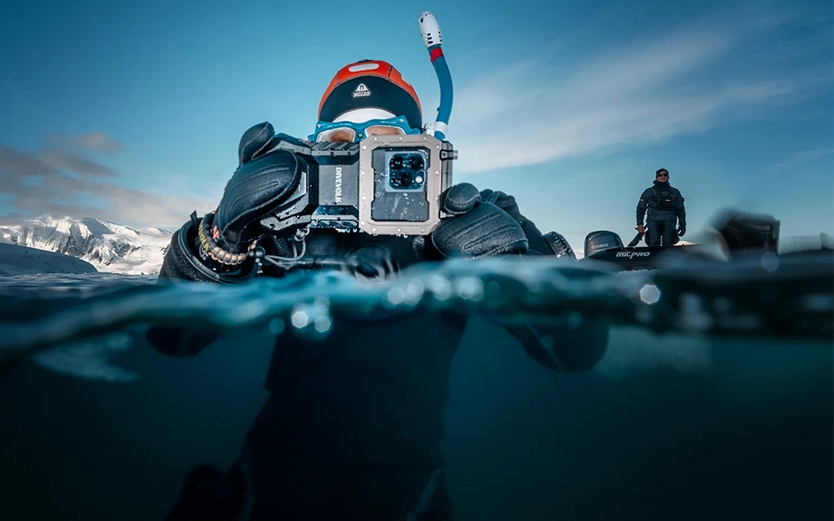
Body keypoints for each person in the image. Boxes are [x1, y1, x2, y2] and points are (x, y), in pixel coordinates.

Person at [148, 59, 610, 521]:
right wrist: (221, 236)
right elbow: (169, 337)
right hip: (271, 477)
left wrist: (511, 266)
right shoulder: (287, 223)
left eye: (386, 142)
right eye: (340, 143)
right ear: (314, 149)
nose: (362, 163)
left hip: (409, 489)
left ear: (422, 145)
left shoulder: (474, 215)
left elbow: (577, 351)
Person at [635, 168, 686, 247]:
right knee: (654, 245)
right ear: (657, 177)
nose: (663, 176)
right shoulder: (648, 192)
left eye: (665, 175)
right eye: (660, 175)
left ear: (668, 177)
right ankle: (653, 259)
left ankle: (668, 258)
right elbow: (641, 208)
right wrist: (640, 224)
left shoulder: (675, 192)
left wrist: (682, 224)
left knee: (668, 244)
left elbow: (680, 209)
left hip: (669, 220)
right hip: (653, 221)